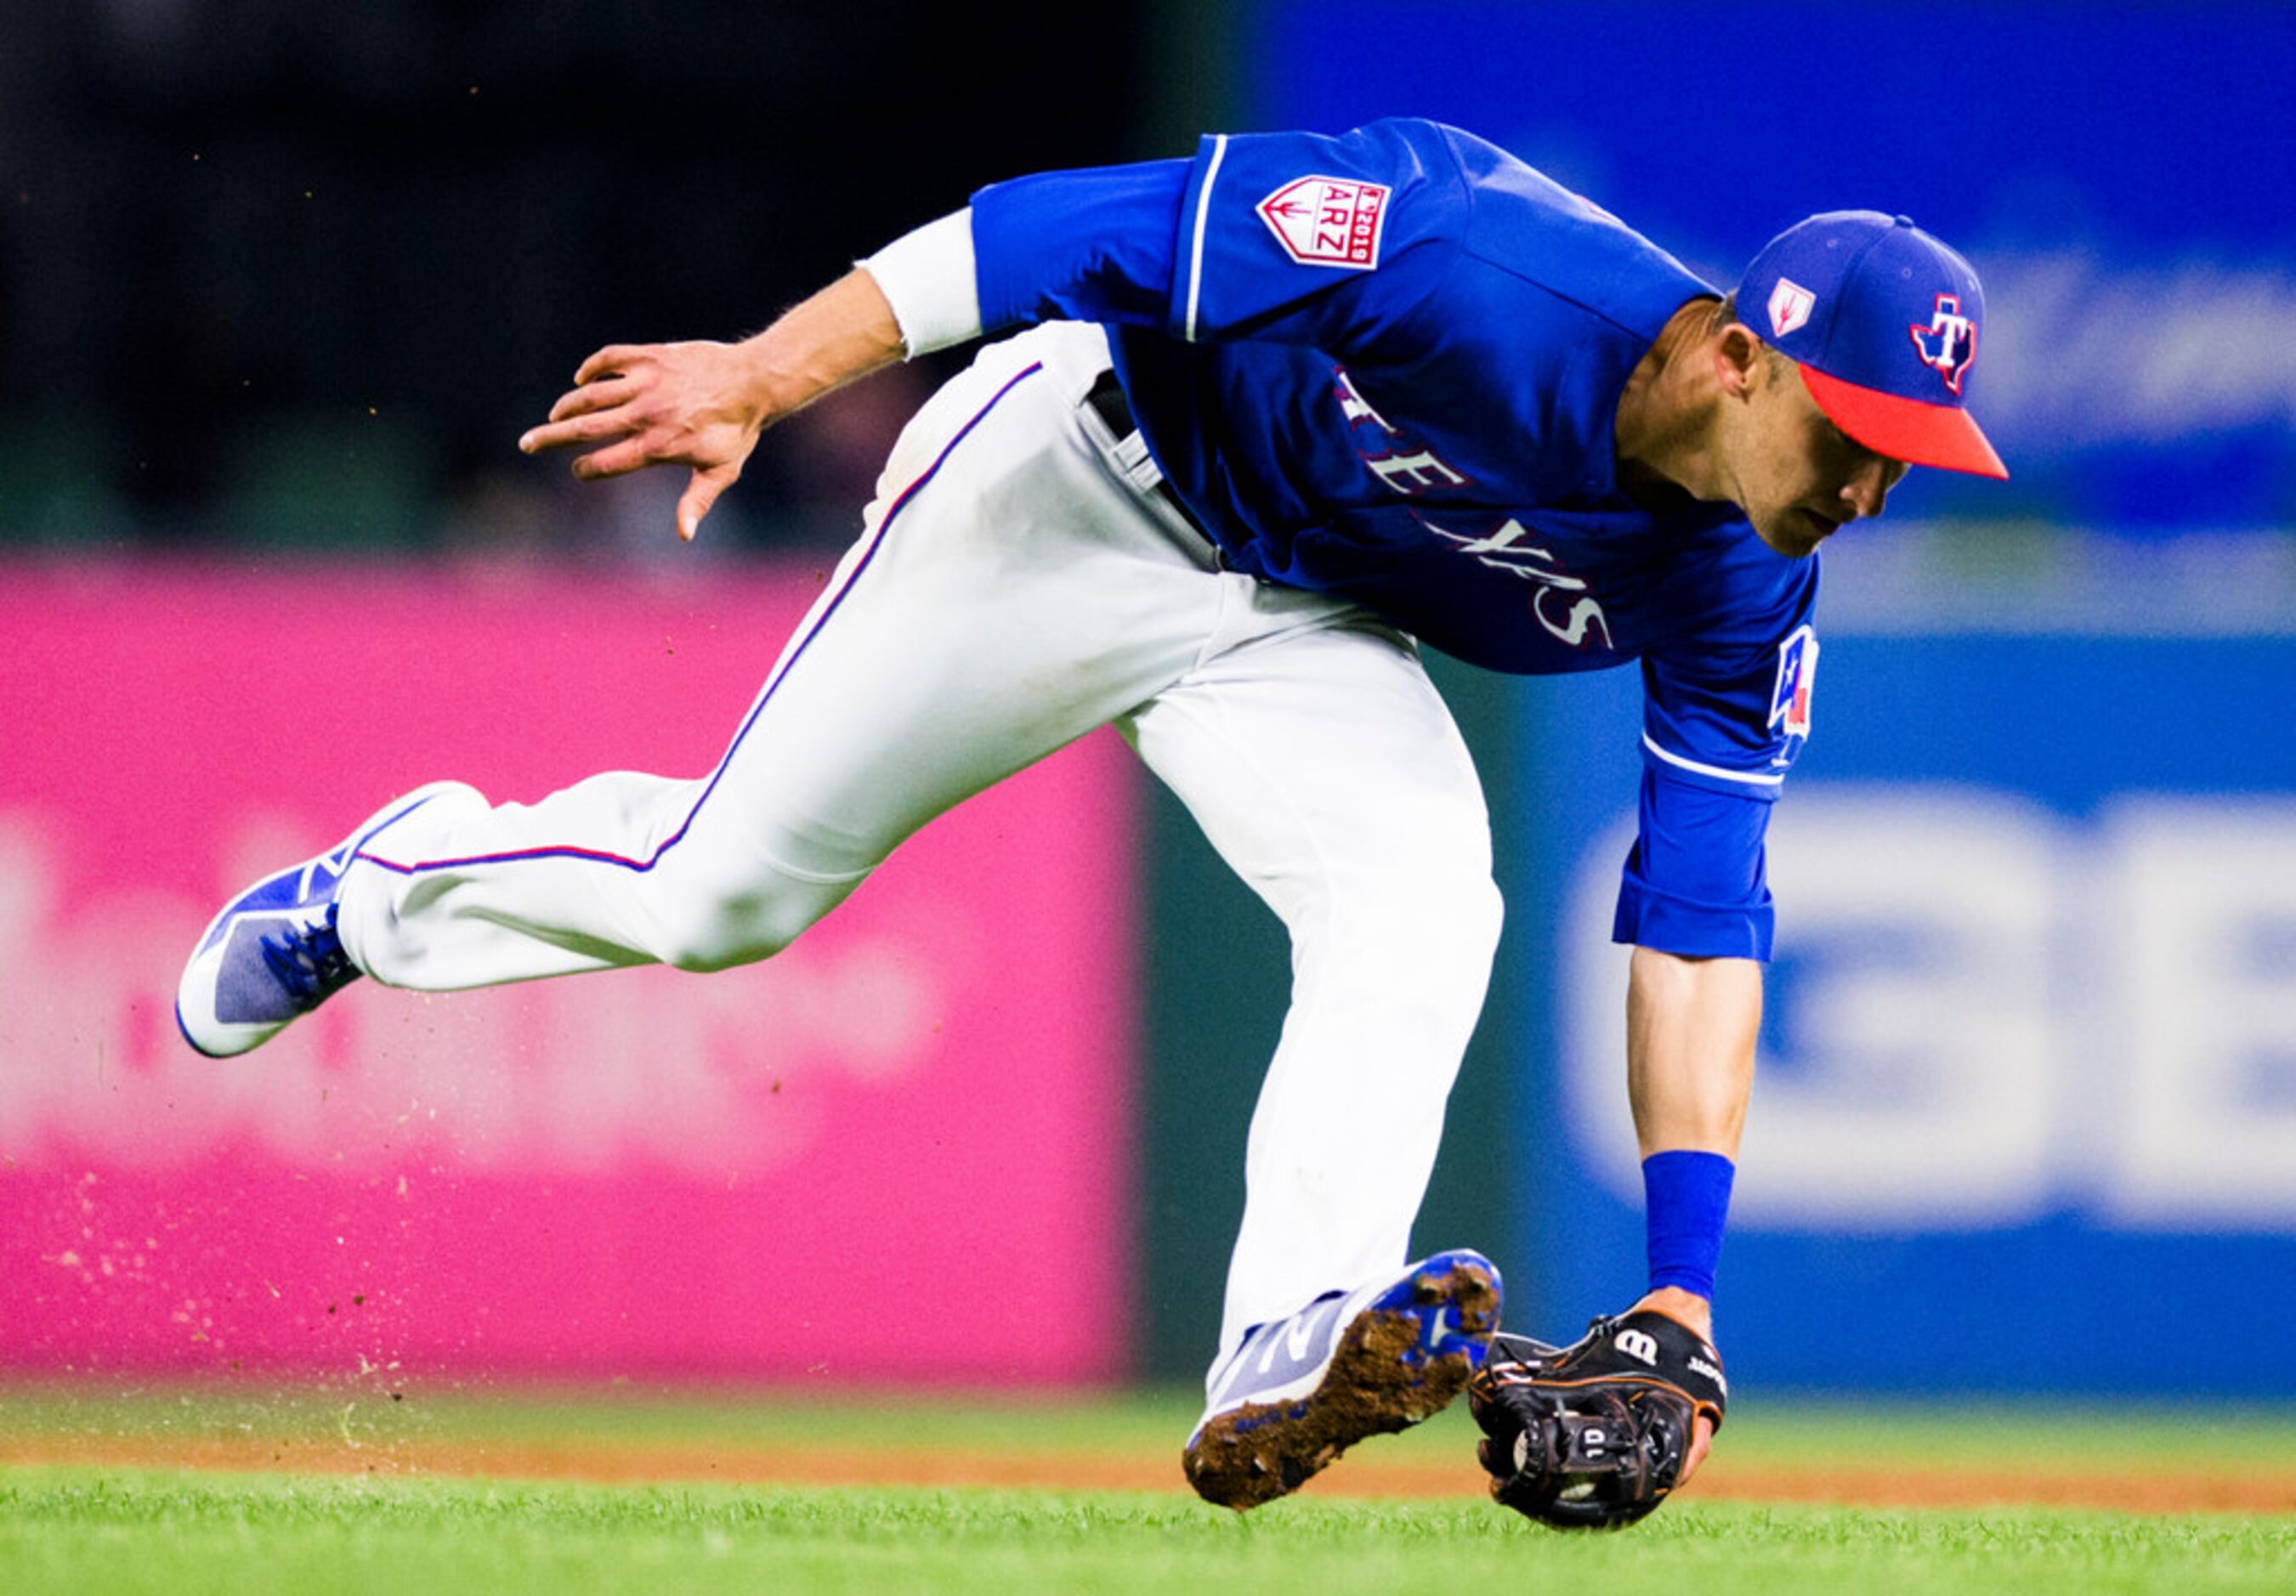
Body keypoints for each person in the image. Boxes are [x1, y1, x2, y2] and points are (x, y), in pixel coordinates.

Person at [177, 118, 2004, 1518]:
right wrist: (760, 368)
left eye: (1904, 457)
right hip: (1081, 486)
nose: (1863, 485)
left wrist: (1681, 1297)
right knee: (715, 896)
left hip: (1299, 625)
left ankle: (1287, 1333)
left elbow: (1698, 915)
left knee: (1429, 905)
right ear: (1738, 359)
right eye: (1849, 431)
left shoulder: (1747, 581)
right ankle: (382, 889)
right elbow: (1064, 229)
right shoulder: (1476, 259)